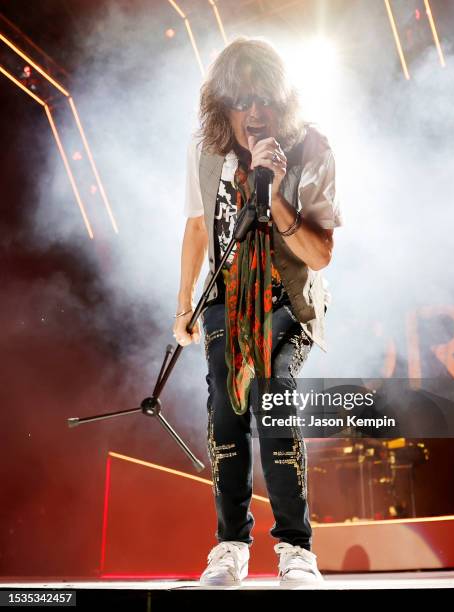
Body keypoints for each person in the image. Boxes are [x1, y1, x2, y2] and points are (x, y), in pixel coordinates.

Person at [173, 37, 342, 586]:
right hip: (225, 299)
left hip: (287, 300)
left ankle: (296, 548)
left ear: (281, 101)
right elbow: (198, 227)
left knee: (272, 400)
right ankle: (230, 545)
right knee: (225, 411)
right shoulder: (207, 154)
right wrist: (184, 306)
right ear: (221, 105)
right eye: (242, 100)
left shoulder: (312, 149)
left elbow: (320, 253)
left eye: (265, 98)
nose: (255, 111)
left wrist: (271, 197)